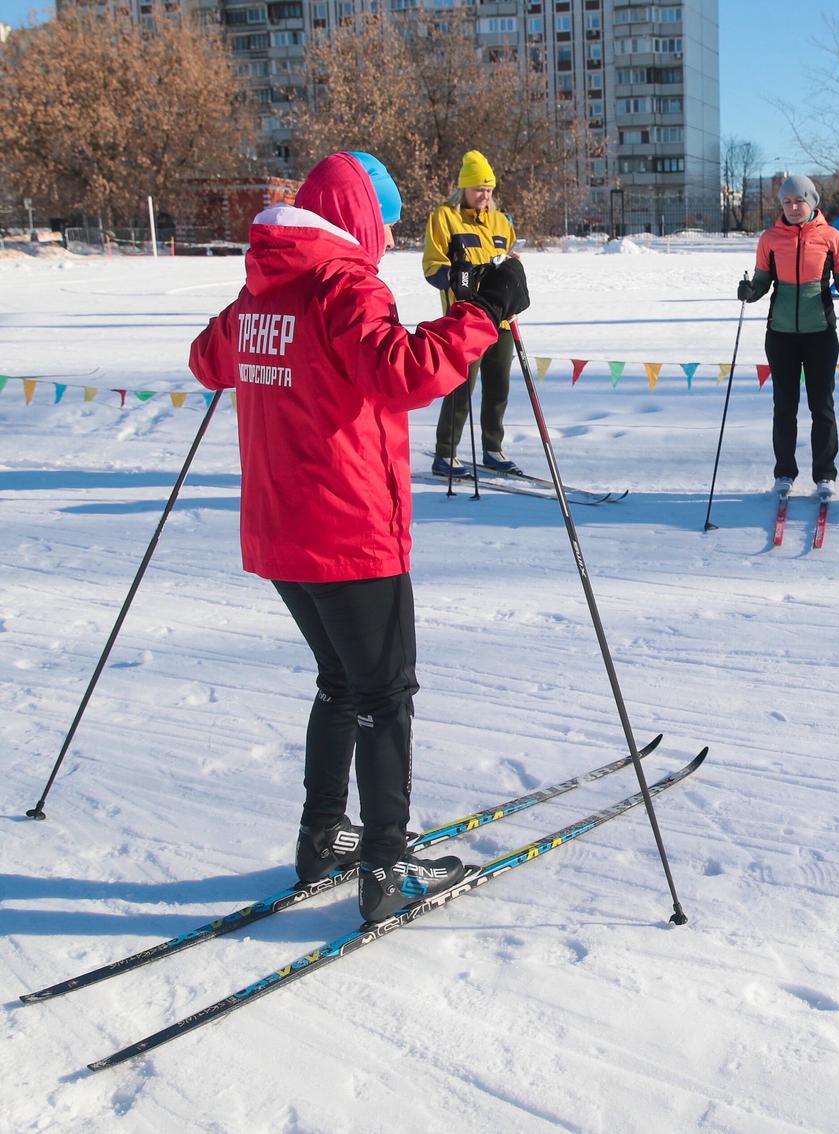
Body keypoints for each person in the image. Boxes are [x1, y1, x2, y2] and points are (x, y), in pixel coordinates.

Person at [189, 151, 529, 923]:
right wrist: (483, 313)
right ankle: (386, 867)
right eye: (385, 222)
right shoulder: (345, 285)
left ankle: (323, 839)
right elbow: (405, 373)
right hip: (347, 530)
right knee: (384, 694)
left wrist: (253, 322)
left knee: (342, 683)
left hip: (281, 535)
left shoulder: (265, 286)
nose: (389, 238)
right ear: (356, 219)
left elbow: (209, 359)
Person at [737, 174, 839, 498]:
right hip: (781, 335)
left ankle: (825, 475)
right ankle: (784, 473)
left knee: (822, 407)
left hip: (821, 333)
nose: (792, 207)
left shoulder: (832, 237)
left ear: (812, 201)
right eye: (787, 202)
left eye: (798, 201)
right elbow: (762, 281)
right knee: (784, 407)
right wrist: (750, 291)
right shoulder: (770, 239)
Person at [423, 150, 519, 477]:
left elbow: (509, 257)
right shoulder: (444, 218)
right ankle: (446, 452)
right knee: (461, 387)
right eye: (479, 188)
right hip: (465, 320)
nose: (484, 195)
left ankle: (493, 447)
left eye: (489, 189)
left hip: (501, 318)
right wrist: (455, 276)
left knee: (498, 388)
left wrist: (513, 272)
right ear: (463, 187)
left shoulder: (501, 221)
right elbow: (432, 265)